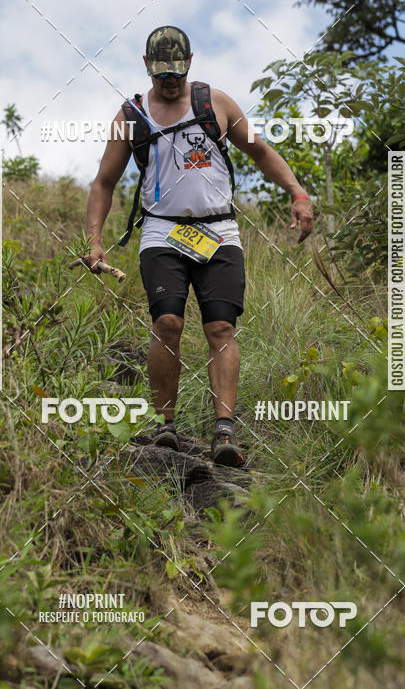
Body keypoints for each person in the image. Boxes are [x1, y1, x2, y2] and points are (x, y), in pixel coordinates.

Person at [84, 25, 313, 467]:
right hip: (161, 233)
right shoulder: (131, 116)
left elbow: (261, 152)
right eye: (159, 74)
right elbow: (103, 183)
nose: (168, 80)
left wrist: (298, 194)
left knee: (220, 329)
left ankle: (224, 431)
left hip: (219, 232)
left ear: (190, 63)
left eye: (176, 72)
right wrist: (94, 241)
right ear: (146, 68)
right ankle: (163, 424)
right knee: (168, 322)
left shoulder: (216, 104)